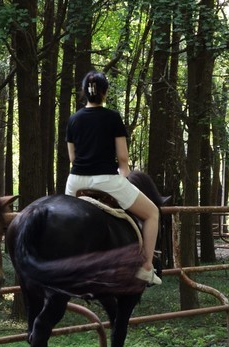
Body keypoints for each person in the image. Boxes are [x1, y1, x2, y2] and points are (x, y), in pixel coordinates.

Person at [65, 70, 161, 287]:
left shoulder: (73, 120)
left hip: (75, 182)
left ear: (84, 93)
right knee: (152, 213)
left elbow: (73, 158)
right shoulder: (112, 117)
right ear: (105, 92)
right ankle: (146, 267)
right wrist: (125, 175)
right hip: (106, 181)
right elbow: (123, 157)